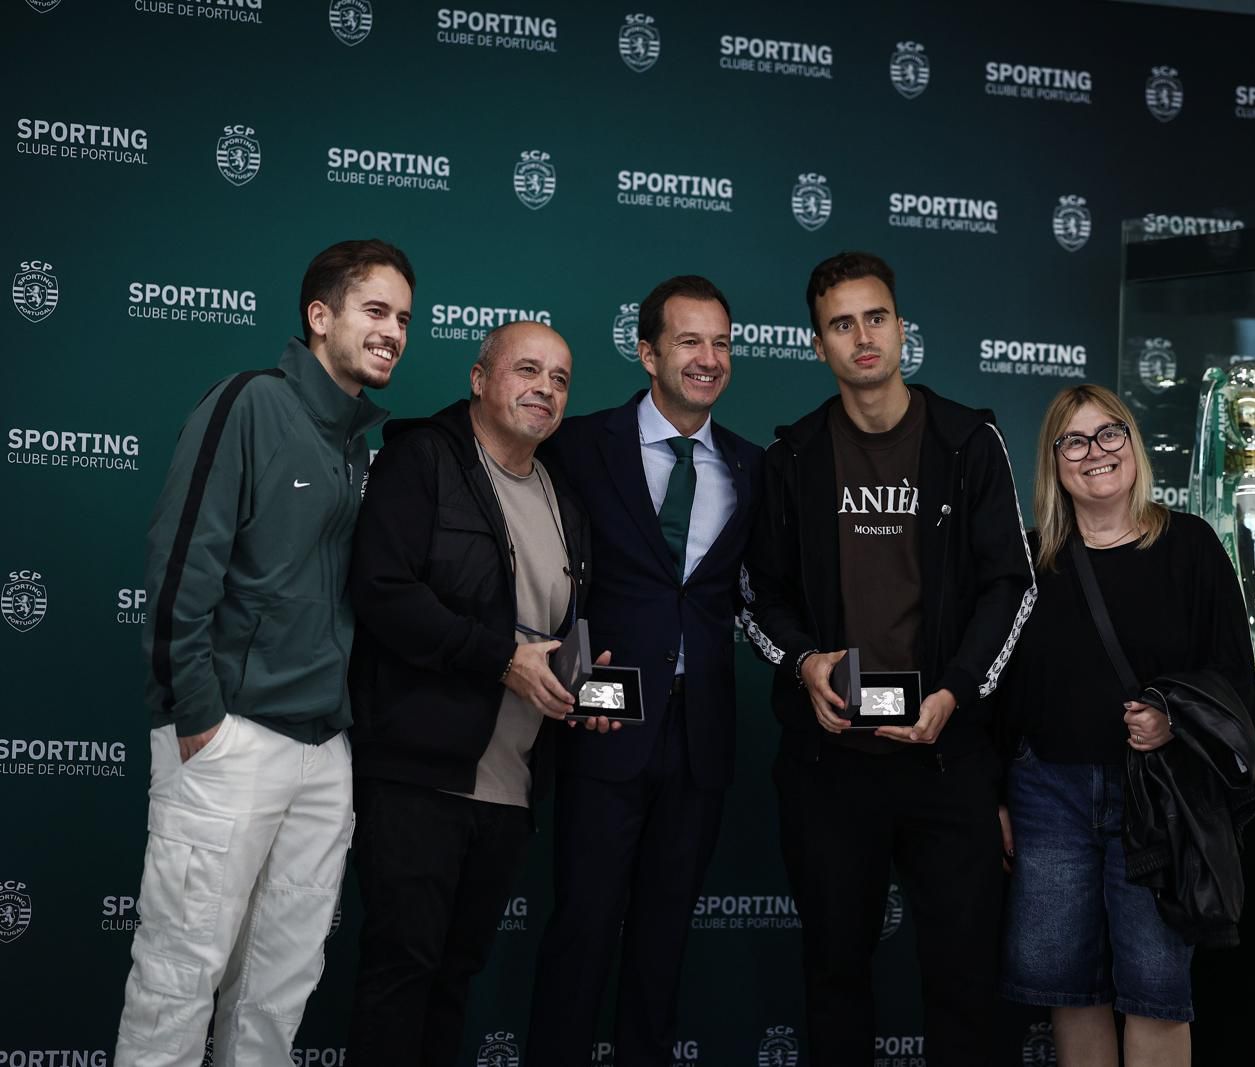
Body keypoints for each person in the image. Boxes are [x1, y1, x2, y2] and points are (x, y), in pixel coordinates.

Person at [116, 239, 414, 1066]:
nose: (393, 332)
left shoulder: (357, 445)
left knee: (278, 990)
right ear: (320, 317)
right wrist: (197, 713)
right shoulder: (250, 401)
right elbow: (181, 561)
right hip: (229, 736)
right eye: (375, 311)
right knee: (179, 977)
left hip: (324, 748)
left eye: (403, 319)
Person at [741, 250, 1036, 1065]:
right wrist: (803, 662)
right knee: (835, 973)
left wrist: (955, 693)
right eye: (842, 324)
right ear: (818, 345)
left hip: (947, 759)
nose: (862, 337)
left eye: (876, 317)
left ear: (902, 328)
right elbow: (759, 593)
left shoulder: (967, 441)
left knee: (963, 977)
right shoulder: (792, 457)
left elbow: (1009, 587)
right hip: (831, 763)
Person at [344, 322, 618, 1066]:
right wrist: (502, 660)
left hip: (511, 784)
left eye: (561, 378)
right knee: (401, 971)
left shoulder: (564, 493)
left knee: (455, 979)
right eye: (527, 369)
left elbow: (551, 628)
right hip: (417, 773)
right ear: (478, 377)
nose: (546, 388)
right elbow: (381, 589)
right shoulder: (422, 459)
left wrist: (580, 681)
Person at [526, 276, 763, 1066]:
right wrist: (567, 666)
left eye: (721, 343)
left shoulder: (751, 468)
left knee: (664, 947)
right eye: (689, 341)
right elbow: (534, 563)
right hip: (602, 726)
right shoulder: (579, 445)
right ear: (648, 351)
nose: (708, 358)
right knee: (582, 933)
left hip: (700, 740)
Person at [995, 384, 1254, 1067]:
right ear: (1055, 460)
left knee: (1157, 988)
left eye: (1109, 434)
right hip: (1047, 795)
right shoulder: (1030, 560)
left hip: (1160, 800)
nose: (1096, 453)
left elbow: (1232, 675)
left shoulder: (1191, 546)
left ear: (1132, 443)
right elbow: (1000, 689)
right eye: (1075, 440)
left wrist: (1174, 719)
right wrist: (994, 795)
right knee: (1067, 988)